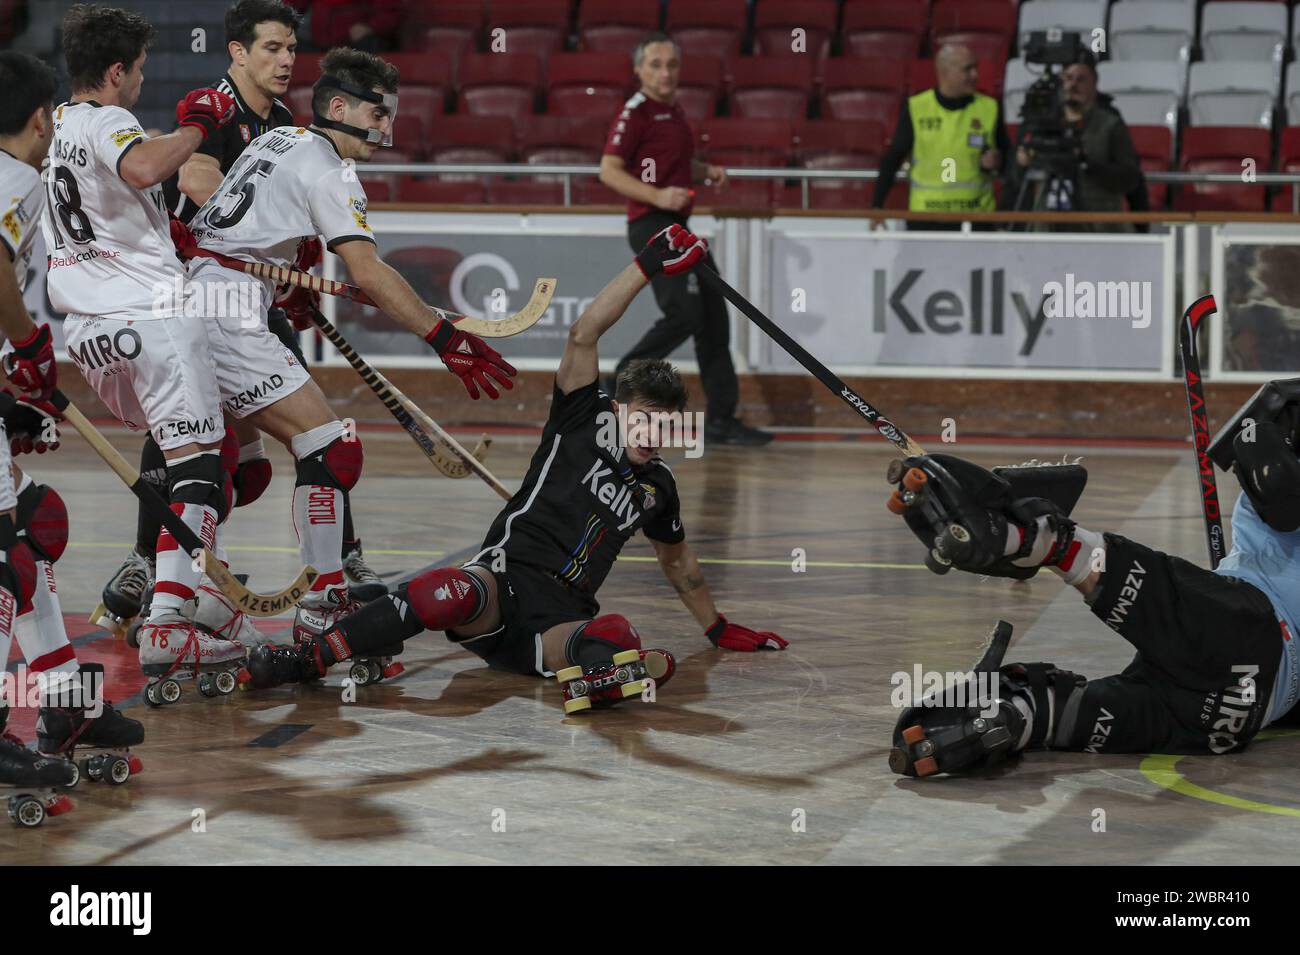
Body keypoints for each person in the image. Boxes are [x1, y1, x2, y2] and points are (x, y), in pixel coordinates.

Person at [244, 225, 789, 704]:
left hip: (556, 624)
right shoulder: (582, 415)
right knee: (444, 591)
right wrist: (646, 265)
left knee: (619, 634)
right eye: (645, 417)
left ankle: (595, 672)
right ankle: (311, 659)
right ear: (618, 409)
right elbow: (586, 332)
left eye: (667, 423)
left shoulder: (659, 488)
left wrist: (716, 628)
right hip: (498, 588)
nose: (654, 433)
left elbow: (680, 564)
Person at [179, 46, 516, 667]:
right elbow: (367, 270)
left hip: (203, 298)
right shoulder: (330, 170)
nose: (389, 128)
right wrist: (444, 338)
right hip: (226, 312)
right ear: (339, 107)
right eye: (380, 113)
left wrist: (285, 279)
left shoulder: (277, 140)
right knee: (330, 447)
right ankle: (321, 600)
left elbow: (245, 229)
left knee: (227, 469)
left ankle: (187, 601)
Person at [96, 0, 384, 643]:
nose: (286, 60)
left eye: (291, 48)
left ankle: (329, 558)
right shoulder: (214, 104)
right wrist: (269, 234)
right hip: (191, 291)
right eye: (273, 48)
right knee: (200, 434)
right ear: (238, 52)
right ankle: (150, 561)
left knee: (291, 444)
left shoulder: (280, 118)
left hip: (244, 295)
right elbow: (199, 180)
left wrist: (290, 258)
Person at [885, 380, 1300, 775]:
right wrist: (1263, 424)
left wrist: (1264, 420)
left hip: (1233, 682)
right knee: (1064, 710)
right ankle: (1012, 714)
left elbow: (1275, 483)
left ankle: (1034, 543)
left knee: (1182, 628)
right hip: (1233, 704)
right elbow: (1275, 482)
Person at [42, 6, 255, 692]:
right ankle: (169, 621)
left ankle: (179, 584)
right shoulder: (109, 119)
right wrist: (201, 124)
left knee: (179, 452)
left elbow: (116, 196)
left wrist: (162, 230)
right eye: (135, 70)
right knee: (204, 463)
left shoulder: (55, 126)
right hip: (153, 315)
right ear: (114, 72)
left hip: (91, 334)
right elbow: (138, 168)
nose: (139, 81)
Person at [0, 49, 145, 774]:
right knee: (4, 557)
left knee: (31, 529)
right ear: (40, 119)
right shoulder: (18, 178)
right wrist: (29, 347)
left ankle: (65, 696)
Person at [599, 32, 771, 447]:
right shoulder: (636, 111)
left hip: (677, 226)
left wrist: (704, 171)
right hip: (653, 225)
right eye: (655, 64)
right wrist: (658, 195)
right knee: (684, 314)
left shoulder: (672, 112)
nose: (665, 72)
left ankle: (722, 420)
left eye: (672, 64)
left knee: (713, 314)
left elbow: (672, 167)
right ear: (638, 70)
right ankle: (615, 385)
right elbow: (609, 170)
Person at [871, 44, 1008, 229]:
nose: (975, 75)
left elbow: (1008, 159)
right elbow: (893, 158)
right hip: (926, 219)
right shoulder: (917, 108)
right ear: (945, 72)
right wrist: (877, 205)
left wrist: (997, 163)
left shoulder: (989, 108)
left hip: (976, 219)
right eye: (967, 69)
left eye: (975, 68)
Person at [1010, 51, 1141, 230]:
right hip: (1048, 223)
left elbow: (1130, 177)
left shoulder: (1110, 124)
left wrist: (1087, 164)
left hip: (1097, 223)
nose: (1073, 85)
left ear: (1094, 83)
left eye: (1081, 79)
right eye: (1069, 78)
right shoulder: (1040, 123)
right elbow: (1016, 178)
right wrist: (1022, 163)